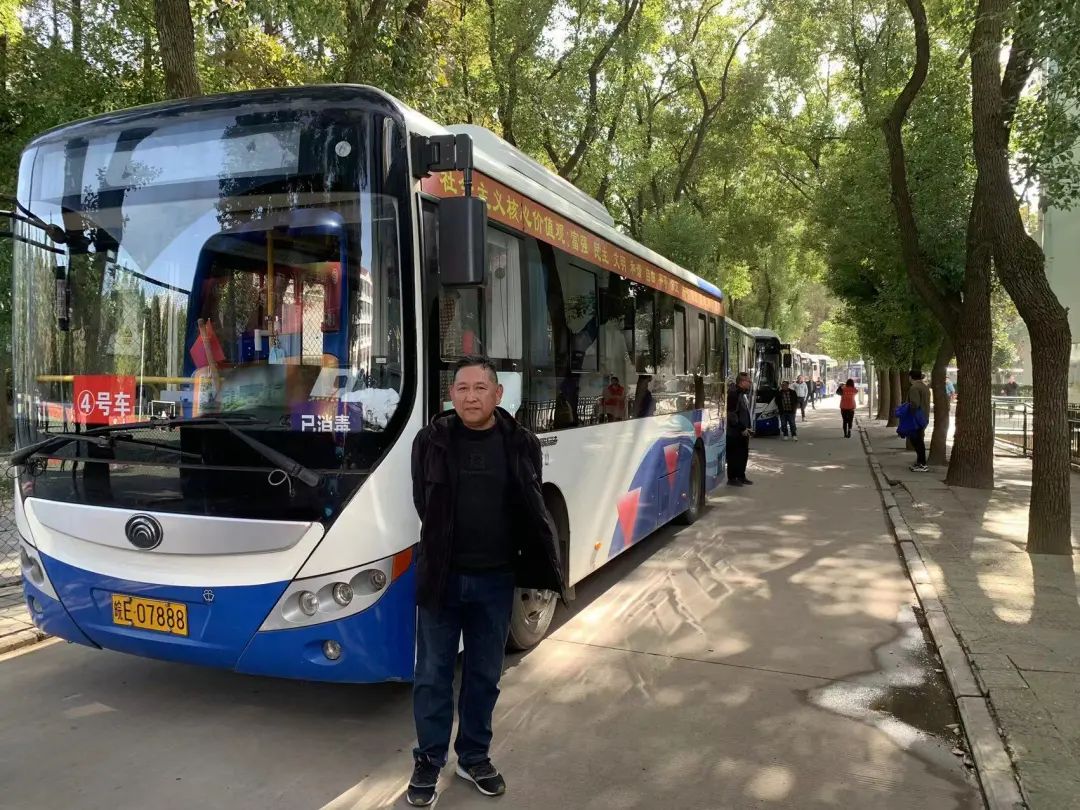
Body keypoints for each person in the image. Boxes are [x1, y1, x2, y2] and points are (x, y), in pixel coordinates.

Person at [407, 355, 564, 807]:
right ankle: (429, 760)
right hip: (442, 579)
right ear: (451, 394)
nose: (470, 397)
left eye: (480, 388)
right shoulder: (430, 440)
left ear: (498, 394)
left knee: (483, 675)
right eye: (462, 388)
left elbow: (530, 504)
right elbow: (423, 502)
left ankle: (473, 756)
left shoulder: (520, 442)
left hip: (495, 581)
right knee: (432, 676)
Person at [726, 372, 754, 486]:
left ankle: (741, 476)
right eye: (748, 381)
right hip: (735, 432)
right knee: (734, 455)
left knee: (743, 454)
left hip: (743, 431)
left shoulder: (742, 393)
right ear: (742, 382)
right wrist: (741, 428)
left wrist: (748, 427)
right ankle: (732, 478)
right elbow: (731, 414)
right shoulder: (734, 394)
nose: (750, 383)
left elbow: (743, 412)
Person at [907, 368, 931, 472]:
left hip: (916, 418)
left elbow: (914, 404)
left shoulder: (914, 388)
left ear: (910, 377)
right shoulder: (924, 387)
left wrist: (907, 412)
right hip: (924, 417)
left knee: (917, 441)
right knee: (918, 440)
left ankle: (922, 463)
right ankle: (920, 462)